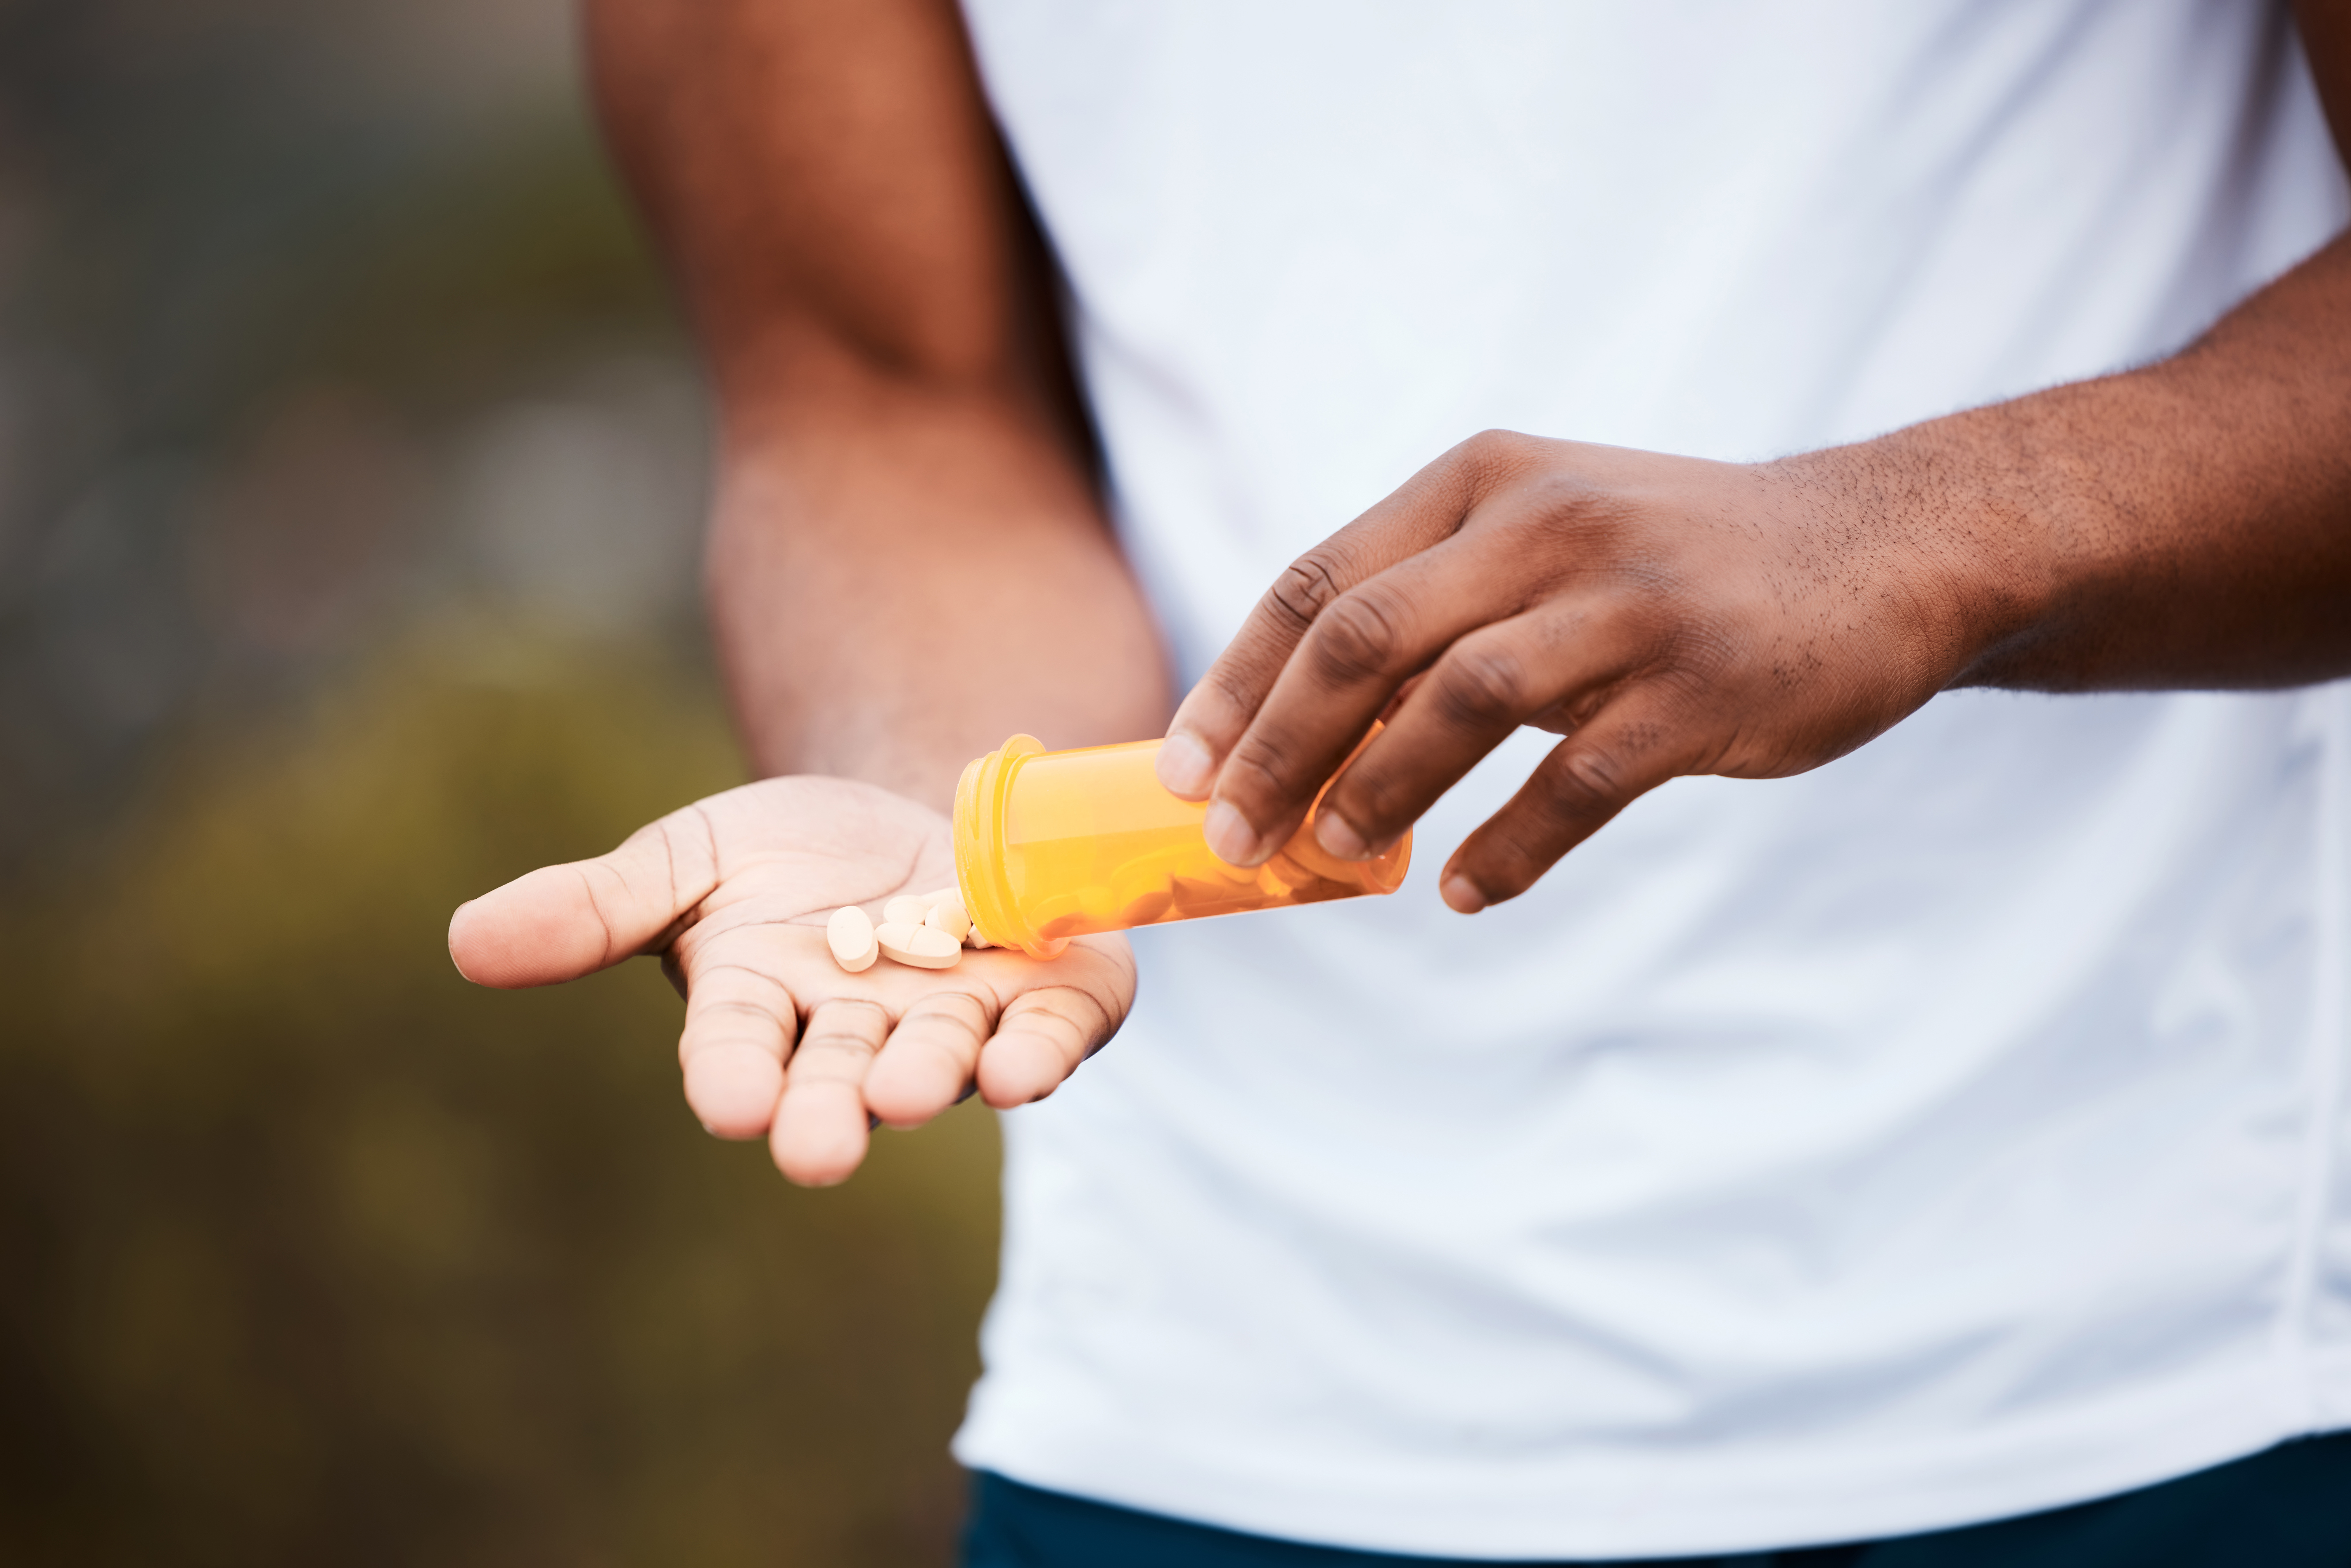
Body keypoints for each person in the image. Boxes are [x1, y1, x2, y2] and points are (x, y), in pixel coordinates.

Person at [448, 1, 2351, 1562]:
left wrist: (1911, 544)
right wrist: (957, 829)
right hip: (1209, 1428)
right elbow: (879, 395)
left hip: (2180, 1364)